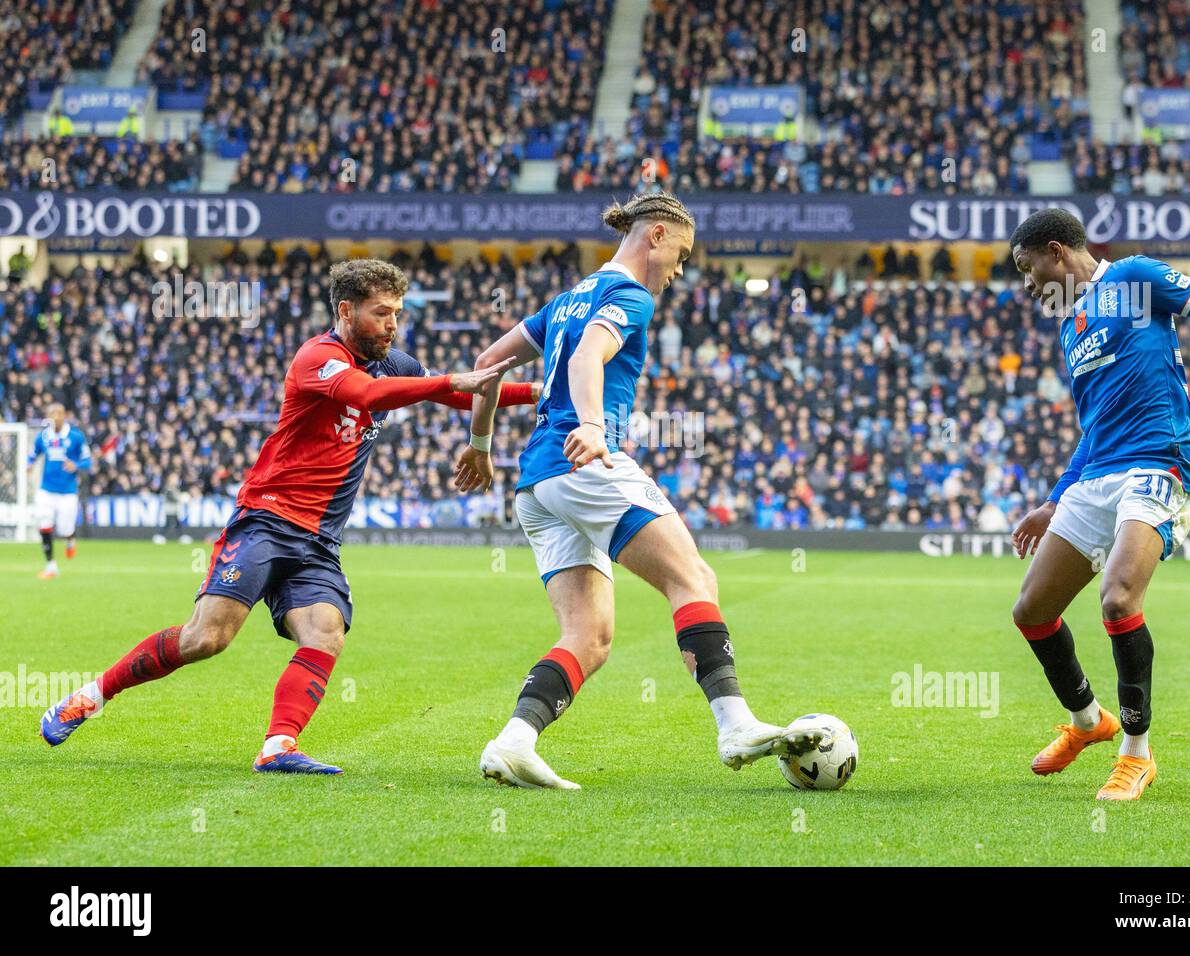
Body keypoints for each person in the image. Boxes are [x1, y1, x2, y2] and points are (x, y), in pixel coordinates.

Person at [40, 259, 539, 774]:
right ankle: (90, 696)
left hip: (320, 539)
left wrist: (537, 396)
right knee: (206, 639)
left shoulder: (393, 363)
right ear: (346, 311)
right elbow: (367, 395)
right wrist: (450, 377)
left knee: (325, 633)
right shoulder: (317, 357)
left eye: (398, 313)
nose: (393, 325)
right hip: (267, 521)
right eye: (382, 313)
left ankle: (278, 746)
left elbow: (461, 394)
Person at [454, 193, 821, 789]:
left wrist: (480, 441)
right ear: (655, 235)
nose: (679, 270)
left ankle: (514, 742)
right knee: (694, 579)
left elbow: (488, 361)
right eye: (680, 254)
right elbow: (590, 358)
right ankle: (735, 725)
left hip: (536, 483)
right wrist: (594, 428)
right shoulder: (630, 296)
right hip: (584, 466)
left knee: (589, 638)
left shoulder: (568, 297)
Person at [1007, 208, 1190, 801]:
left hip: (1158, 463)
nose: (1028, 282)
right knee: (1031, 612)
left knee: (1118, 599)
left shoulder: (1134, 278)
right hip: (1096, 478)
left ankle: (1135, 754)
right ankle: (1090, 723)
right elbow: (1094, 428)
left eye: (1027, 266)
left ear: (1057, 250)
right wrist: (1054, 499)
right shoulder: (1070, 326)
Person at [29, 402, 92, 578]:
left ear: (65, 415)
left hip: (67, 491)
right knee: (44, 523)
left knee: (65, 529)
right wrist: (29, 465)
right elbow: (33, 454)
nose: (56, 416)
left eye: (59, 412)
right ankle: (51, 566)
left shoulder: (76, 436)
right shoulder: (43, 437)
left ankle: (71, 540)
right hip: (46, 489)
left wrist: (76, 465)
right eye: (52, 413)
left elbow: (88, 461)